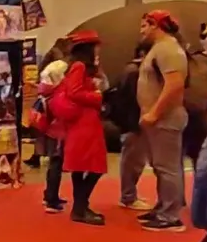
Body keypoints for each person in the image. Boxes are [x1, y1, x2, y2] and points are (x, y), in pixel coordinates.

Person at [136, 10, 189, 232]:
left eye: (144, 26)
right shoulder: (160, 48)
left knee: (168, 168)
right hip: (157, 120)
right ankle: (163, 207)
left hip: (165, 119)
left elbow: (174, 85)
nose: (141, 31)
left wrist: (155, 113)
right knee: (161, 166)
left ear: (155, 25)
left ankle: (170, 216)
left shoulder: (168, 49)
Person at [53, 31, 107, 226]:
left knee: (81, 166)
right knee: (94, 166)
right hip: (85, 121)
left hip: (82, 120)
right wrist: (96, 96)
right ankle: (80, 207)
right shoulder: (80, 66)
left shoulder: (79, 66)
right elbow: (74, 92)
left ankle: (80, 208)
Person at [111, 45, 152, 211]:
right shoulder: (136, 73)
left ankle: (129, 194)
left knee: (133, 160)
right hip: (133, 123)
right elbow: (134, 100)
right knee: (133, 161)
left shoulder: (130, 70)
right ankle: (128, 196)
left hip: (130, 122)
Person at [38, 47, 69, 213]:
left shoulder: (47, 92)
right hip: (58, 130)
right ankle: (51, 198)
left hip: (50, 129)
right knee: (56, 163)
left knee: (54, 162)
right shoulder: (58, 94)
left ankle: (50, 195)